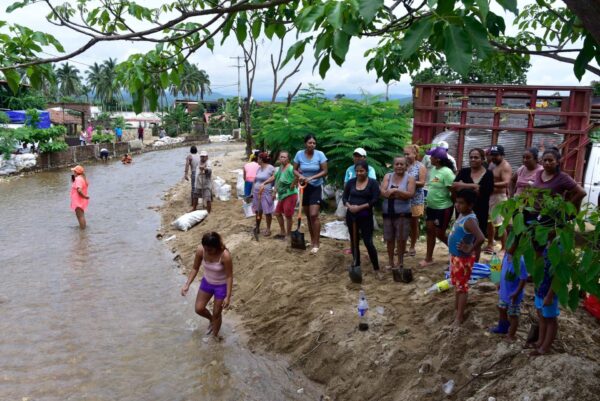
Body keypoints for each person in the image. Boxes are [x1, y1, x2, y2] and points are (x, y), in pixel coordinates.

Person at [525, 148, 585, 356]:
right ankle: (540, 342)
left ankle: (545, 346)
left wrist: (567, 209)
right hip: (542, 222)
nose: (547, 163)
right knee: (542, 311)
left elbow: (581, 192)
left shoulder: (559, 241)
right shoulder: (539, 175)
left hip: (553, 222)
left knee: (550, 315)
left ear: (558, 161)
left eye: (551, 160)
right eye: (545, 160)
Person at [180, 232, 233, 340]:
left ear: (216, 246)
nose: (207, 251)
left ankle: (215, 337)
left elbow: (229, 276)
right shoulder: (200, 250)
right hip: (207, 283)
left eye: (210, 249)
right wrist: (187, 284)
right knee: (199, 309)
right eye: (206, 248)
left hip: (221, 286)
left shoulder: (225, 255)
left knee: (217, 313)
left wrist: (228, 296)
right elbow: (195, 268)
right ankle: (211, 320)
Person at [448, 189, 485, 324]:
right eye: (456, 202)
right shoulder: (462, 214)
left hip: (462, 259)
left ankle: (459, 317)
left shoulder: (470, 220)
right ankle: (456, 308)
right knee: (458, 285)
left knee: (462, 287)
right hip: (456, 257)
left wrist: (471, 248)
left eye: (461, 203)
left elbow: (481, 238)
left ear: (470, 205)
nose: (457, 205)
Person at [451, 148, 494, 262]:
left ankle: (474, 264)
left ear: (482, 159)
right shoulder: (464, 171)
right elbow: (454, 185)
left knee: (477, 238)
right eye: (471, 157)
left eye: (476, 157)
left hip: (480, 210)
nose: (473, 159)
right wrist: (473, 186)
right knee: (462, 236)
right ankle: (460, 261)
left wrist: (463, 185)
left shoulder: (488, 174)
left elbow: (484, 192)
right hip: (463, 210)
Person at [343, 160, 383, 279]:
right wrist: (350, 207)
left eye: (362, 171)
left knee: (368, 242)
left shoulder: (373, 183)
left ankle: (376, 268)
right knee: (354, 241)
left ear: (367, 171)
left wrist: (360, 207)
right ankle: (356, 264)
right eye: (357, 171)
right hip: (351, 216)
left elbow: (375, 199)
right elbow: (344, 198)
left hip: (365, 216)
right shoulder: (351, 183)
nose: (359, 173)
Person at [420, 147, 455, 267]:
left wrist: (453, 204)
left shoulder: (447, 172)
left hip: (443, 208)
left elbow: (453, 190)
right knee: (430, 230)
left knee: (440, 233)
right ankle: (428, 258)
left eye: (432, 157)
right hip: (432, 207)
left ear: (438, 159)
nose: (430, 159)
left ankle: (457, 251)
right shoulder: (434, 169)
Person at [293, 134, 328, 254]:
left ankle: (317, 243)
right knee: (308, 216)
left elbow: (325, 171)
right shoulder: (299, 154)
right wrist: (300, 176)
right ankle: (312, 240)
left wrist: (312, 177)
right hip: (304, 188)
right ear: (305, 144)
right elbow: (294, 169)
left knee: (314, 215)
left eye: (314, 143)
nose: (312, 145)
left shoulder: (320, 155)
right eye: (310, 143)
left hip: (316, 187)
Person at [380, 156, 416, 270]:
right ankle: (391, 262)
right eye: (397, 164)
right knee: (389, 238)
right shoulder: (388, 176)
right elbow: (384, 192)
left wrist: (395, 191)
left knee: (401, 239)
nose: (399, 166)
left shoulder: (410, 178)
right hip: (387, 212)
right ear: (393, 165)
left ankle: (400, 262)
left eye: (402, 164)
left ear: (406, 166)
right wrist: (400, 194)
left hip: (403, 214)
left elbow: (410, 194)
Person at [489, 253, 528, 341]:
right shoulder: (506, 256)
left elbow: (523, 279)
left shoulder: (520, 261)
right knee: (502, 309)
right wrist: (499, 282)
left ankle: (511, 335)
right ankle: (502, 327)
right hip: (504, 292)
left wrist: (517, 293)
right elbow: (502, 268)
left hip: (513, 295)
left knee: (513, 315)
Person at [486, 145, 512, 253]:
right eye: (492, 155)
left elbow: (506, 182)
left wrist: (490, 184)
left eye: (496, 155)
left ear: (502, 155)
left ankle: (504, 247)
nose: (493, 157)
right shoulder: (492, 164)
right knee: (489, 222)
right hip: (489, 196)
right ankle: (490, 244)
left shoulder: (505, 166)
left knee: (499, 223)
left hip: (499, 198)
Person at [404, 144, 426, 257]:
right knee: (402, 223)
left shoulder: (420, 166)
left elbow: (422, 183)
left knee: (413, 223)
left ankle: (412, 246)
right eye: (404, 154)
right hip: (403, 198)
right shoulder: (403, 165)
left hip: (415, 199)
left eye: (408, 154)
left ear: (415, 154)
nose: (406, 156)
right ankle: (402, 246)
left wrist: (409, 181)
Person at [271, 151, 298, 239]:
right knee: (277, 213)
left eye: (284, 157)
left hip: (290, 194)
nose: (282, 158)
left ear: (288, 159)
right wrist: (274, 192)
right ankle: (283, 231)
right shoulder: (280, 168)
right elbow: (277, 180)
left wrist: (293, 184)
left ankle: (289, 234)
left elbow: (297, 176)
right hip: (282, 194)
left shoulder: (291, 168)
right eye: (281, 157)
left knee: (288, 215)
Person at [252, 152, 276, 236]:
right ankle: (257, 227)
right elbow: (256, 180)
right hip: (256, 192)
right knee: (258, 210)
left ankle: (268, 229)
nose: (257, 160)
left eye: (258, 158)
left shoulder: (270, 167)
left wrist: (265, 183)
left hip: (266, 192)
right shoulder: (259, 168)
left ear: (261, 159)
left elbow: (274, 177)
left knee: (267, 211)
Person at [70, 165, 90, 229]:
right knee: (81, 216)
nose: (73, 173)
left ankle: (82, 231)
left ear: (76, 172)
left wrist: (85, 196)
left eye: (74, 171)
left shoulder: (78, 179)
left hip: (78, 200)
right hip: (81, 200)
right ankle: (83, 231)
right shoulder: (82, 178)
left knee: (80, 216)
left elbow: (79, 190)